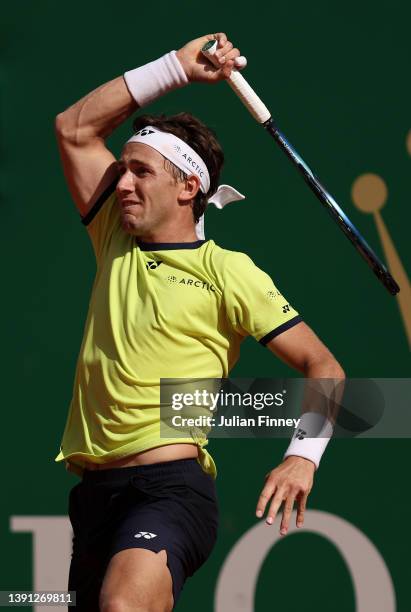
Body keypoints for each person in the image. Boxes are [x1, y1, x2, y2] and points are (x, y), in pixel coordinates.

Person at [55, 32, 345, 612]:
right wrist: (174, 68)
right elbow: (74, 127)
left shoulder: (230, 272)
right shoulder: (114, 233)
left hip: (170, 492)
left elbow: (324, 366)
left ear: (189, 186)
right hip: (93, 499)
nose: (123, 181)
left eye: (140, 172)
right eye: (123, 170)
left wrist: (301, 457)